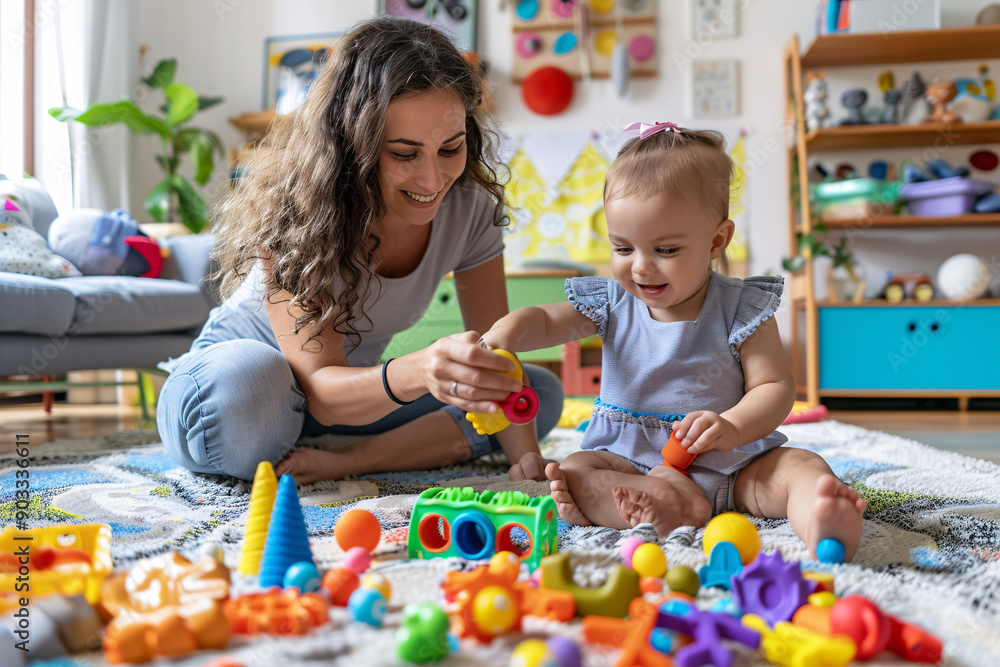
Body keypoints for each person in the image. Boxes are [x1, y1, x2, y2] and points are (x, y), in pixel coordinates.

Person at [156, 16, 564, 484]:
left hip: (332, 404)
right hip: (231, 390)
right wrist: (419, 370)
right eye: (405, 154)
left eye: (450, 149)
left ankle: (346, 458)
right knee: (252, 385)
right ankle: (279, 439)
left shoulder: (470, 211)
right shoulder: (298, 212)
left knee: (532, 391)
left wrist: (527, 463)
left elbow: (497, 353)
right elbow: (321, 389)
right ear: (353, 145)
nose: (433, 180)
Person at [481, 122, 866, 560]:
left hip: (732, 463)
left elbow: (774, 388)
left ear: (716, 241)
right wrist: (509, 331)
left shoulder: (743, 306)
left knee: (800, 467)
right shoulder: (611, 301)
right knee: (575, 471)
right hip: (630, 461)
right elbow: (548, 322)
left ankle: (821, 518)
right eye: (623, 249)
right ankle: (666, 503)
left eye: (664, 251)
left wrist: (733, 426)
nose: (640, 268)